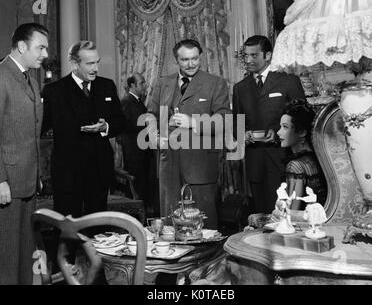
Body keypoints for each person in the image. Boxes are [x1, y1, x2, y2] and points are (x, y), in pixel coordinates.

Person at [147, 39, 231, 229]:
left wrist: (193, 123)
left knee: (203, 223)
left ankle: (206, 259)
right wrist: (153, 133)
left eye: (194, 59)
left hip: (200, 165)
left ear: (200, 57)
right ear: (176, 60)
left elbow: (225, 118)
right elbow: (151, 114)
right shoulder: (163, 83)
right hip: (168, 164)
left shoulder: (215, 83)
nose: (191, 64)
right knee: (169, 223)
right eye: (185, 60)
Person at [42, 41, 125, 218]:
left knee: (98, 228)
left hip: (99, 171)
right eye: (90, 63)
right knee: (67, 228)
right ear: (74, 63)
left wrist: (106, 127)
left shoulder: (107, 86)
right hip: (68, 174)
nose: (95, 68)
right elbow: (39, 127)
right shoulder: (54, 91)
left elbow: (121, 122)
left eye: (97, 62)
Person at [232, 35, 306, 214]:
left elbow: (302, 117)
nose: (248, 60)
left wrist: (277, 133)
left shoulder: (288, 81)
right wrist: (244, 135)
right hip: (255, 162)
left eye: (254, 55)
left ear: (267, 56)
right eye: (246, 56)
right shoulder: (240, 88)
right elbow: (235, 123)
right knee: (263, 217)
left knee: (289, 214)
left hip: (284, 160)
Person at [0, 23, 49, 284]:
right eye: (40, 47)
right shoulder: (1, 76)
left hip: (27, 181)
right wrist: (0, 179)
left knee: (23, 256)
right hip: (7, 184)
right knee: (6, 258)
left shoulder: (30, 78)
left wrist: (37, 173)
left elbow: (30, 132)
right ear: (22, 46)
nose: (44, 54)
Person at [276, 99, 327, 211]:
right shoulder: (319, 158)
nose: (278, 132)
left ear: (302, 132)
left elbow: (291, 213)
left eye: (285, 127)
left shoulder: (295, 166)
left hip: (302, 225)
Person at [119, 73, 157, 216]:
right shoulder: (126, 102)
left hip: (142, 151)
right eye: (141, 83)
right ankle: (133, 218)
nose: (144, 85)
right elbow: (126, 127)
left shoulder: (138, 102)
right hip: (134, 152)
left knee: (142, 186)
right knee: (136, 186)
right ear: (132, 85)